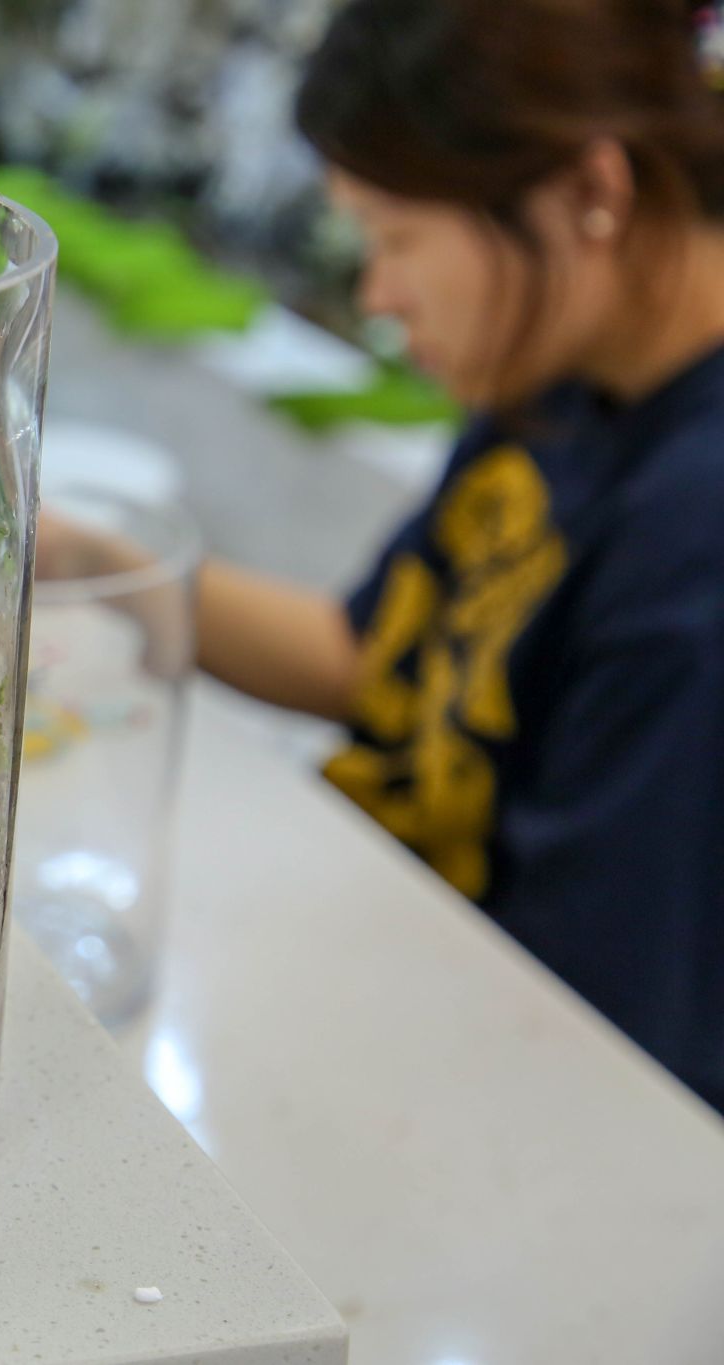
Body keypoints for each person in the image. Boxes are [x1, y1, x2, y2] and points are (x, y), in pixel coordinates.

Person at [169, 0, 724, 1112]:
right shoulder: (559, 377)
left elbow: (609, 1042)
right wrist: (100, 567)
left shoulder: (694, 530)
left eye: (396, 238)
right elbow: (370, 655)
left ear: (589, 192)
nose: (376, 296)